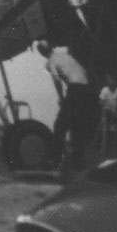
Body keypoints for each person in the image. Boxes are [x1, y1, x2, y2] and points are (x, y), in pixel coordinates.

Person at [37, 40, 100, 171]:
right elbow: (84, 72)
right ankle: (78, 163)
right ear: (51, 47)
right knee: (78, 126)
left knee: (60, 125)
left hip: (75, 89)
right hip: (87, 89)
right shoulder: (67, 56)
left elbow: (57, 81)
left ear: (42, 53)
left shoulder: (50, 62)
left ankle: (56, 160)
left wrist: (61, 99)